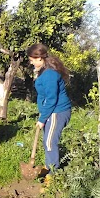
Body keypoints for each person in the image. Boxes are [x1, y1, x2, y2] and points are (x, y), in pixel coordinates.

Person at [27, 43, 71, 174]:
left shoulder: (49, 74)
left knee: (50, 142)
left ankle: (52, 175)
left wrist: (42, 119)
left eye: (32, 60)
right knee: (48, 141)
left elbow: (52, 99)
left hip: (57, 112)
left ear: (39, 58)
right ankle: (49, 167)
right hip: (51, 112)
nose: (31, 63)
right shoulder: (44, 72)